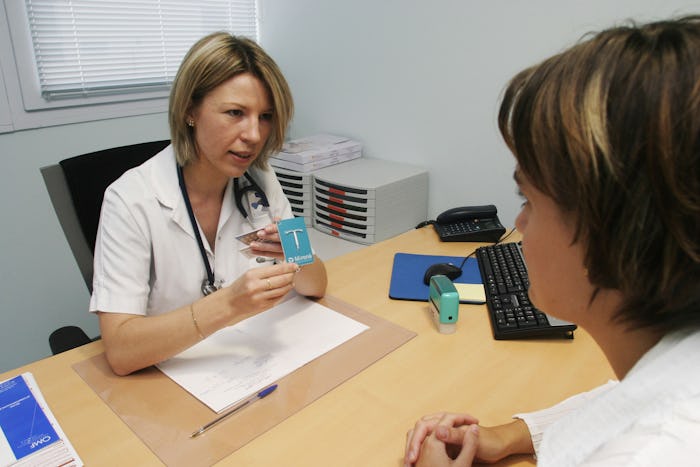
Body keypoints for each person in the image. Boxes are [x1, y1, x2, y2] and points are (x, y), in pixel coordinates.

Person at [404, 15, 700, 466]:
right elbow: (621, 398)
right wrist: (508, 436)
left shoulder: (656, 451)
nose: (519, 223)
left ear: (613, 232)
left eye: (529, 199)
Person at [89, 32, 327, 376]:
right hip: (168, 377)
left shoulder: (262, 178)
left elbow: (316, 284)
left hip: (249, 365)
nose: (255, 135)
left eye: (265, 116)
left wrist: (295, 255)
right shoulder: (129, 200)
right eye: (235, 112)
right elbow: (121, 351)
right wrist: (228, 304)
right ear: (190, 110)